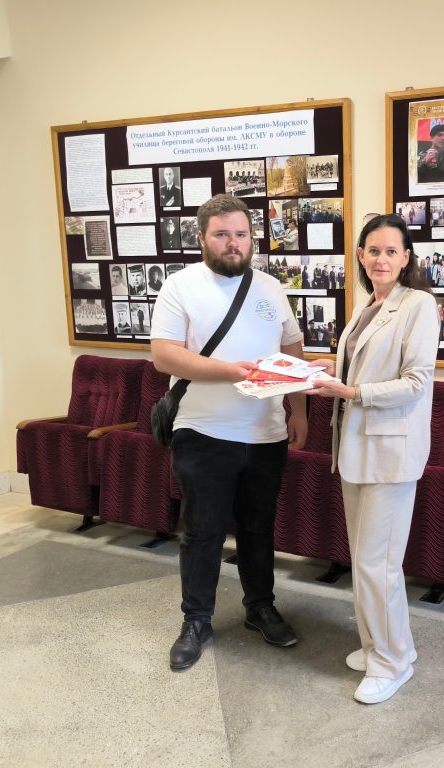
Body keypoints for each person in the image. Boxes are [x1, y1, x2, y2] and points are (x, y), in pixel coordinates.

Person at [150, 194, 308, 673]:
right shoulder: (180, 286)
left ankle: (260, 606)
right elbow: (164, 355)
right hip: (203, 432)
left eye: (241, 234)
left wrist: (299, 411)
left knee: (259, 528)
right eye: (222, 234)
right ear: (202, 238)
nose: (233, 243)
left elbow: (292, 348)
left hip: (265, 432)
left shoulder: (270, 288)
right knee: (203, 532)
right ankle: (196, 620)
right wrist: (232, 371)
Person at [305, 214, 438, 705]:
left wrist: (351, 391)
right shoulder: (368, 305)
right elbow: (363, 366)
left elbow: (416, 382)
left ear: (406, 258)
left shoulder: (418, 304)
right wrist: (328, 370)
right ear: (361, 255)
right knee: (368, 561)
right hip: (355, 448)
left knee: (376, 565)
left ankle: (391, 664)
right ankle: (387, 646)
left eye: (391, 251)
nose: (381, 259)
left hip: (389, 452)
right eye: (373, 250)